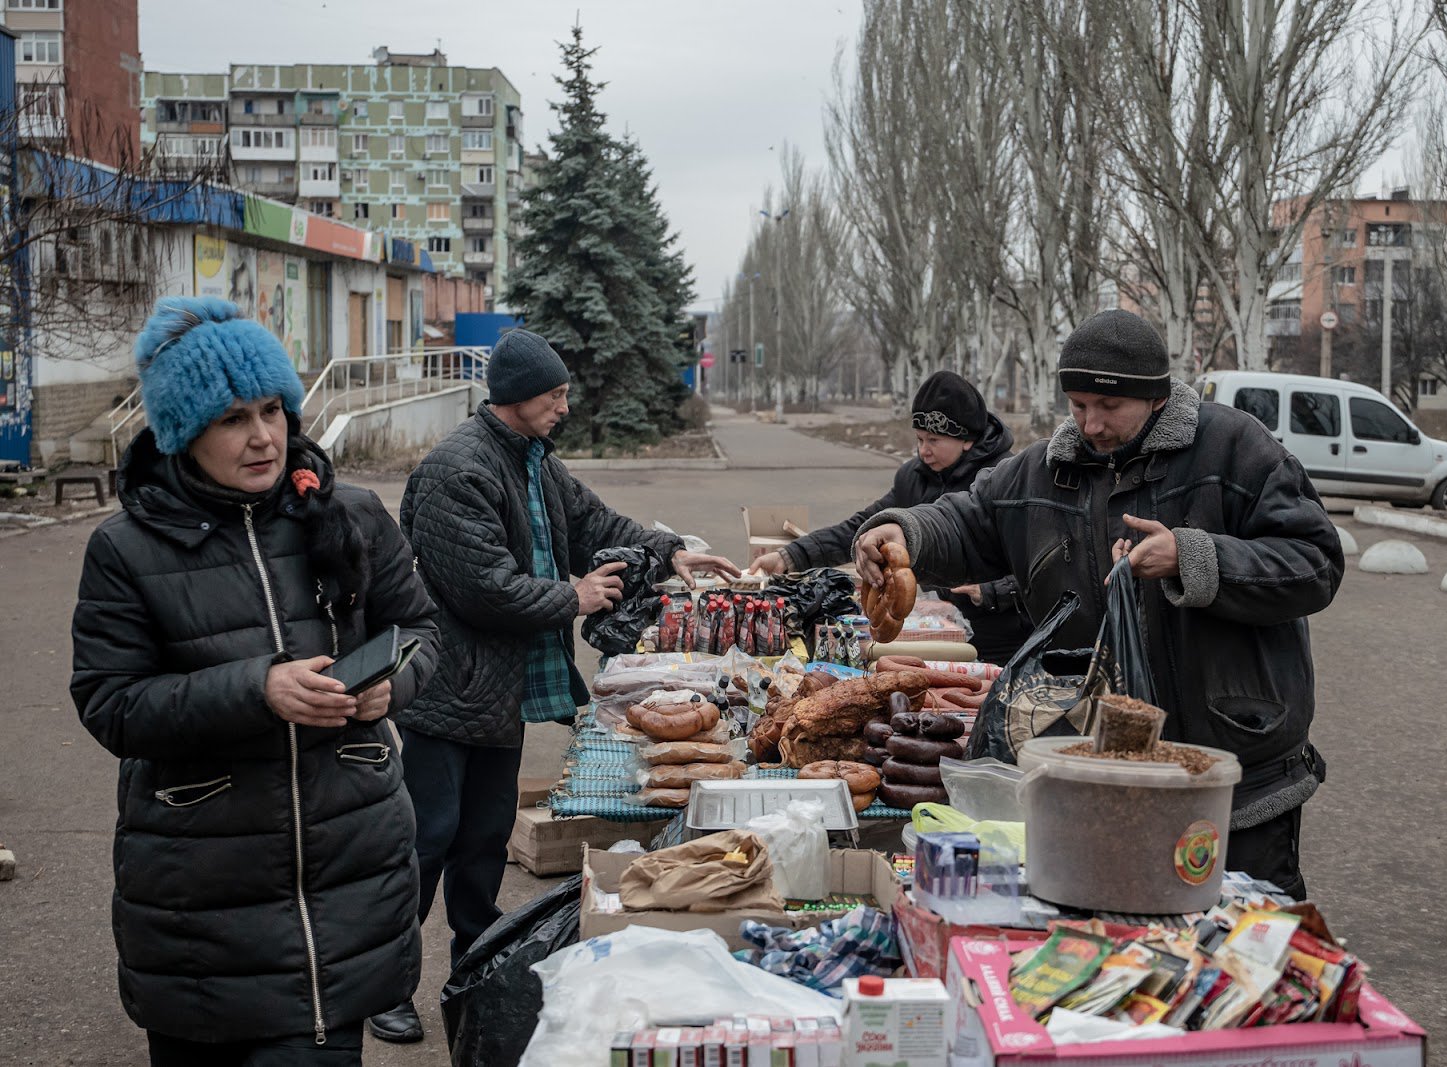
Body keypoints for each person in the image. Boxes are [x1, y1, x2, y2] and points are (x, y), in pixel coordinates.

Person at [855, 309, 1343, 898]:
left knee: (1247, 941)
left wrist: (1194, 557)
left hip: (1234, 768)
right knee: (1123, 936)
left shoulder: (1234, 449)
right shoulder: (1043, 472)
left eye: (1108, 407)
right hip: (1097, 767)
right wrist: (904, 532)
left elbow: (1314, 562)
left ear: (1156, 397)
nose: (1090, 424)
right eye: (1078, 405)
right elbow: (967, 518)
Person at [70, 297, 440, 1065]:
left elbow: (423, 634)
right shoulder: (127, 548)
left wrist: (388, 688)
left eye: (273, 408)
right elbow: (110, 703)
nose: (265, 435)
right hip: (202, 900)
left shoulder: (354, 515)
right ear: (182, 432)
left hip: (346, 877)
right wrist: (257, 690)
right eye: (233, 417)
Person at [370, 329, 740, 1043]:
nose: (565, 407)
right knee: (424, 843)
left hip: (498, 694)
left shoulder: (535, 462)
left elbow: (596, 523)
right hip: (446, 688)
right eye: (555, 394)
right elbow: (482, 587)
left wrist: (673, 550)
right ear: (515, 398)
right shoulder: (457, 470)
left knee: (481, 842)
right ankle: (382, 984)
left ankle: (475, 968)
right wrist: (573, 596)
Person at [751, 371, 1033, 664]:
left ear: (967, 440)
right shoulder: (913, 478)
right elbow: (861, 527)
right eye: (920, 439)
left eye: (934, 440)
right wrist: (791, 555)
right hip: (937, 632)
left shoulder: (1007, 479)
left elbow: (1041, 561)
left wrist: (989, 590)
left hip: (1002, 639)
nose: (924, 451)